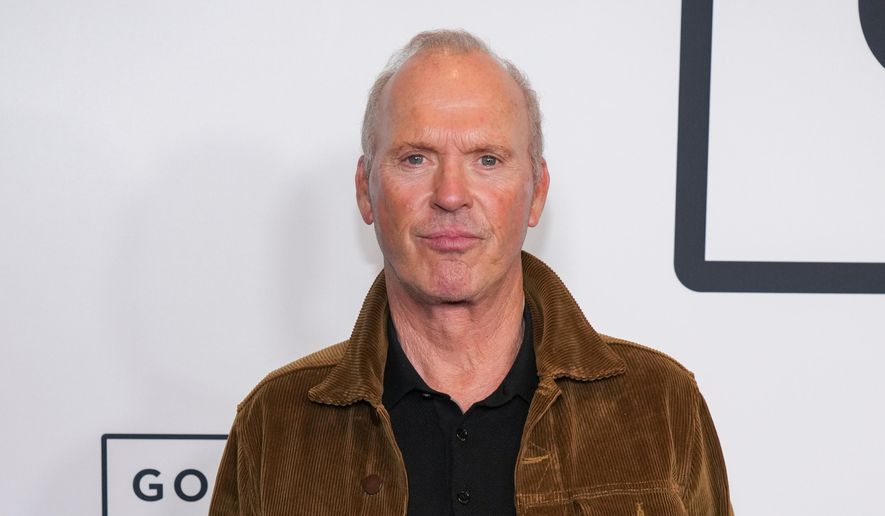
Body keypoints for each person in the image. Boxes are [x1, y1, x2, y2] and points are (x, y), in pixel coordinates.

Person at [209, 29, 732, 516]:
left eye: (487, 159)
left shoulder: (658, 406)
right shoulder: (275, 423)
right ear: (366, 189)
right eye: (416, 158)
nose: (451, 195)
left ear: (537, 192)